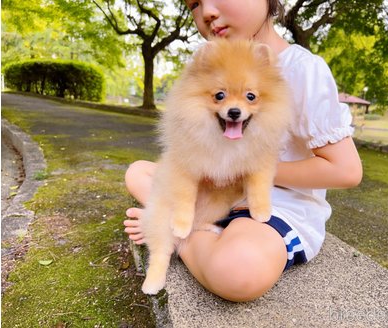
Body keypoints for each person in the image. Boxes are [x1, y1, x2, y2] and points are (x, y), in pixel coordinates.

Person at [123, 0, 362, 302]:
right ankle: (188, 227)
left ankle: (180, 240)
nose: (206, 12)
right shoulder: (211, 65)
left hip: (276, 207)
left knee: (238, 272)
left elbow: (346, 171)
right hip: (213, 193)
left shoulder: (303, 70)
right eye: (195, 4)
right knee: (137, 172)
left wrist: (244, 170)